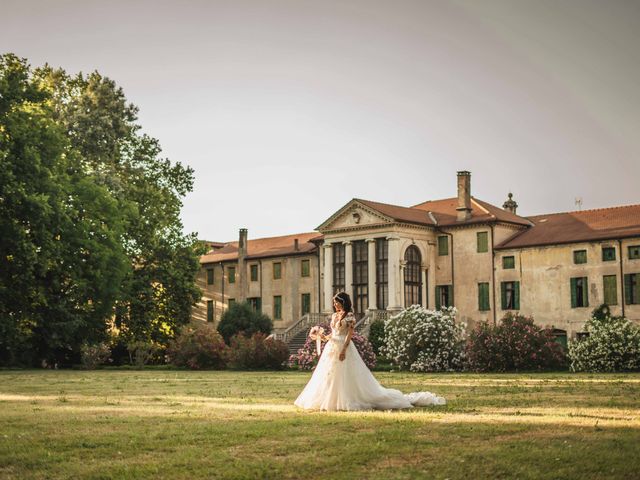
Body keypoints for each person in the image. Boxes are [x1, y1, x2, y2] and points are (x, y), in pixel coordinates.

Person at [294, 291, 446, 411]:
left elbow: (349, 335)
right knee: (328, 375)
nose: (334, 305)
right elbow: (332, 334)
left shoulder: (350, 316)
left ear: (343, 303)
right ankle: (328, 399)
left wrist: (343, 350)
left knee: (345, 374)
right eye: (334, 303)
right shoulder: (334, 316)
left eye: (337, 302)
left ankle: (348, 398)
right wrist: (321, 336)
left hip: (343, 347)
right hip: (332, 346)